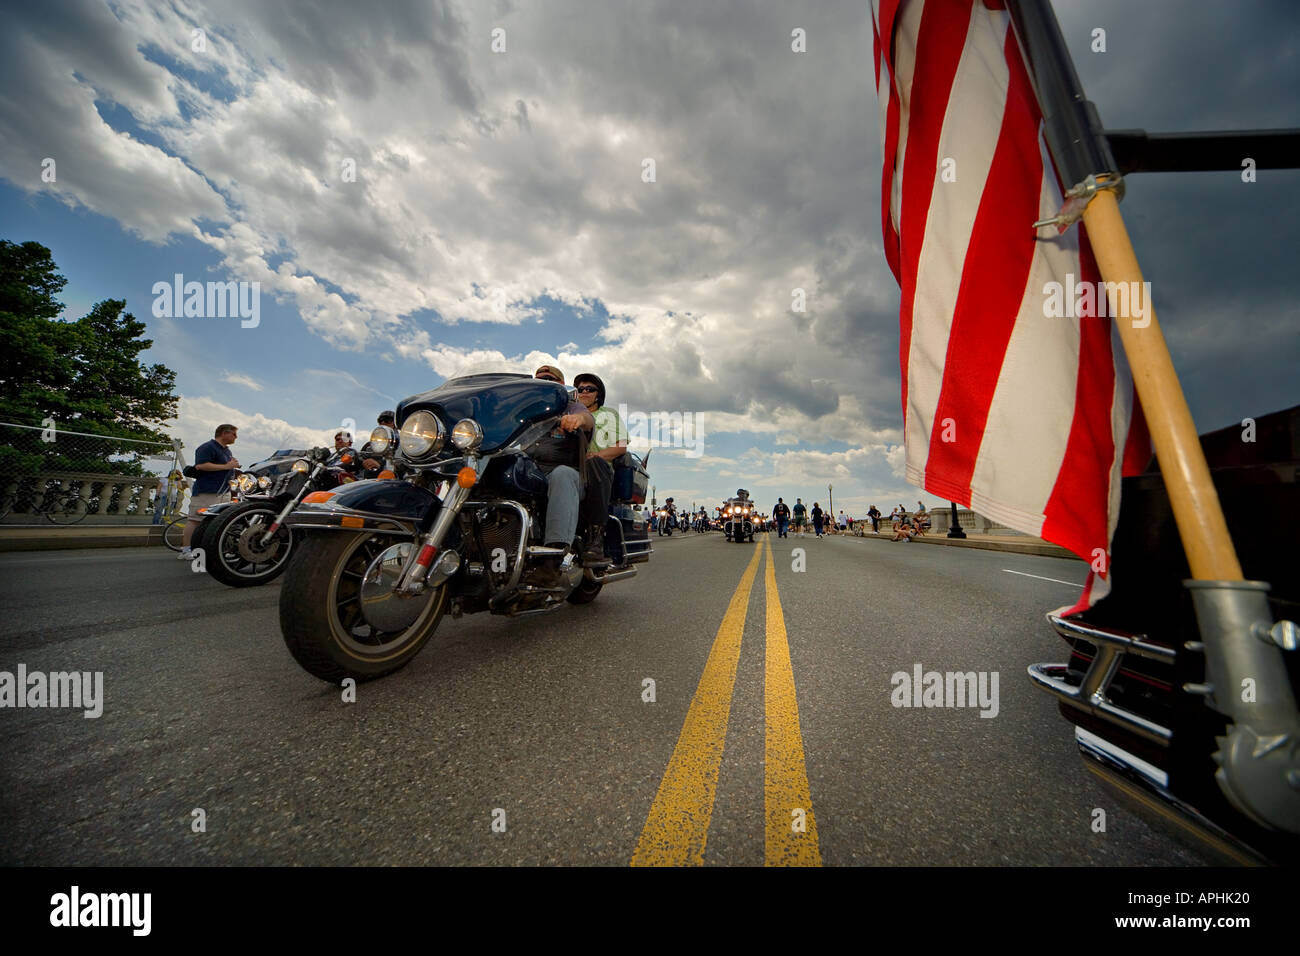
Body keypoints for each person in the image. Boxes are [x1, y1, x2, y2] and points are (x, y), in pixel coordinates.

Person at [528, 365, 594, 569]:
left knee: (562, 475)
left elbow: (588, 420)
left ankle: (554, 556)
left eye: (549, 379)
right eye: (539, 380)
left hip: (563, 472)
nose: (544, 383)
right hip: (530, 470)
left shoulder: (572, 406)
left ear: (561, 386)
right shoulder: (527, 411)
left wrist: (576, 419)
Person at [574, 372, 626, 565]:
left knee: (593, 463)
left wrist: (596, 455)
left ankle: (596, 538)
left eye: (590, 389)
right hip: (572, 466)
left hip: (599, 469)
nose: (584, 392)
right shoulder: (570, 414)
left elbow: (621, 447)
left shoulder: (608, 414)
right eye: (580, 389)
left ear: (598, 394)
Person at [180, 423, 239, 558]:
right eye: (234, 434)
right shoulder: (207, 447)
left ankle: (214, 550)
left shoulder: (226, 450)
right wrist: (227, 466)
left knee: (219, 521)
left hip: (223, 491)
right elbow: (201, 466)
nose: (236, 437)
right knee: (195, 520)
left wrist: (232, 466)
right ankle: (186, 550)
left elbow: (226, 466)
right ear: (224, 433)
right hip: (207, 490)